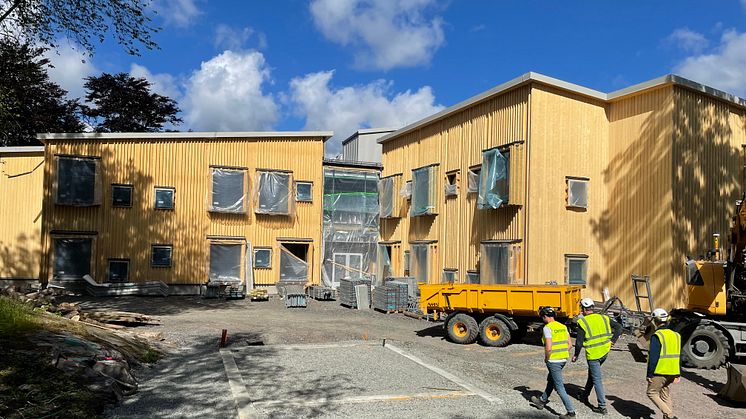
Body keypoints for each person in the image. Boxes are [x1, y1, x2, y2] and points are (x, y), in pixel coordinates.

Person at [572, 297, 623, 415]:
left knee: (597, 379)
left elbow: (579, 342)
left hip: (593, 355)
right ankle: (584, 396)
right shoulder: (604, 317)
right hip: (605, 352)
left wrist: (576, 355)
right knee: (592, 375)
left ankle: (602, 406)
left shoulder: (582, 322)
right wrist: (613, 341)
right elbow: (619, 327)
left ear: (584, 309)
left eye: (582, 308)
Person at [530, 306, 576, 418]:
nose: (542, 320)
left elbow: (549, 347)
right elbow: (569, 345)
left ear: (545, 316)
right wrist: (562, 354)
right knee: (551, 380)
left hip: (553, 360)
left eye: (542, 317)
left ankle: (571, 413)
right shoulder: (563, 326)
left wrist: (547, 358)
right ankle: (542, 401)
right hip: (563, 359)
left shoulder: (547, 328)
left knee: (559, 387)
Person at [646, 308, 681, 419]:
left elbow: (653, 356)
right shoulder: (676, 335)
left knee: (651, 393)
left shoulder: (657, 336)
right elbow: (679, 355)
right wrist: (678, 373)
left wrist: (649, 374)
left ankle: (669, 415)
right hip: (673, 371)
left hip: (660, 371)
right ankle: (668, 417)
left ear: (656, 321)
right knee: (665, 393)